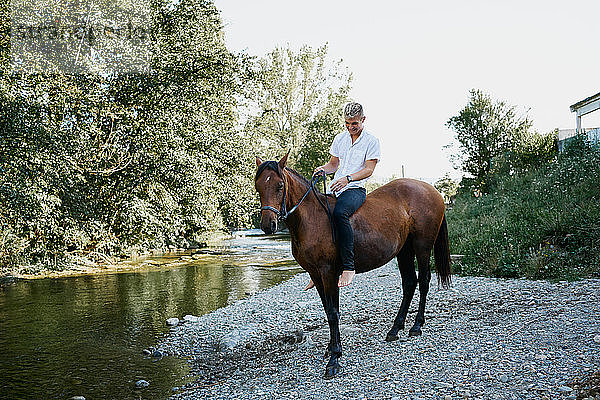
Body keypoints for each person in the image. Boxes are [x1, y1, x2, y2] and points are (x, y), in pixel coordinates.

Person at [306, 102, 381, 289]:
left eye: (354, 123)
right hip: (336, 187)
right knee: (317, 213)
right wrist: (323, 169)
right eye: (347, 123)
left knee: (340, 213)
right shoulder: (340, 138)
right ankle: (318, 268)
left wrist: (348, 179)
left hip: (355, 189)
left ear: (363, 120)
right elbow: (333, 164)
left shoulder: (372, 141)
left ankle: (348, 266)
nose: (350, 127)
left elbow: (369, 170)